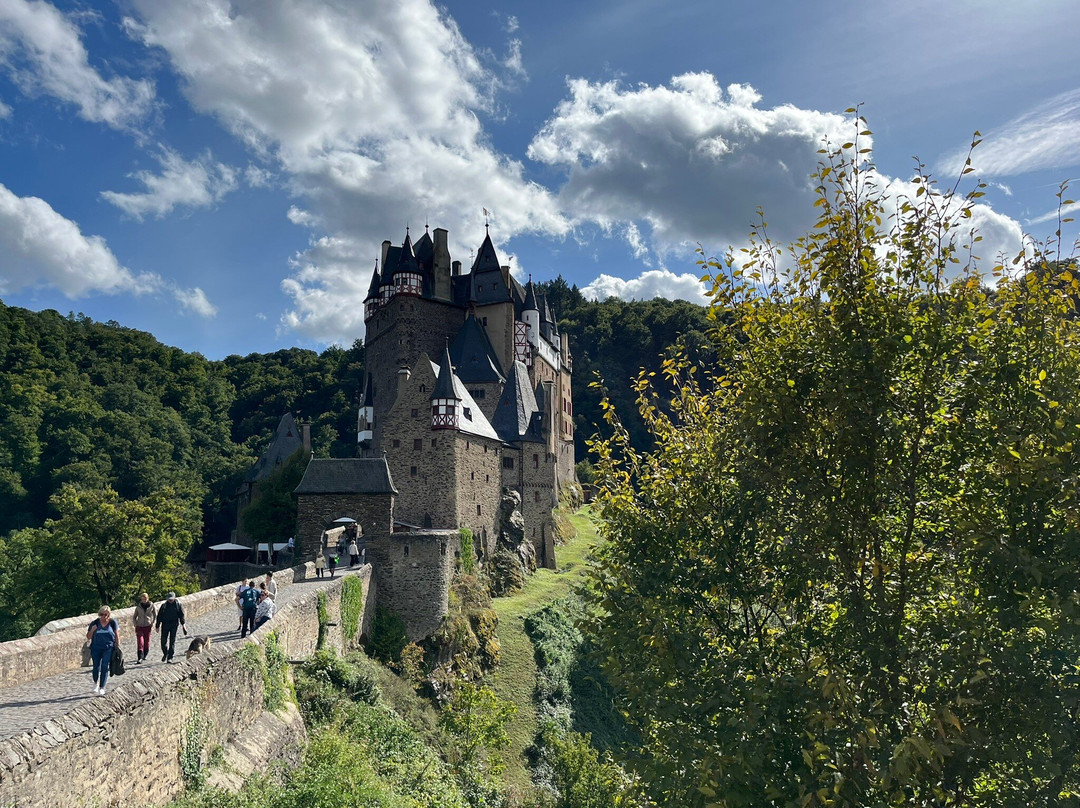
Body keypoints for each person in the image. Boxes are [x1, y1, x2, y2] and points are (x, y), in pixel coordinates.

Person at [87, 606, 119, 696]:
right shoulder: (95, 623)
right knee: (96, 667)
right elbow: (88, 637)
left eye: (105, 614)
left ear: (109, 614)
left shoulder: (112, 623)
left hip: (108, 647)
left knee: (105, 666)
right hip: (96, 647)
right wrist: (93, 630)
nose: (103, 616)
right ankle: (95, 682)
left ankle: (102, 687)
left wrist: (117, 646)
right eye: (101, 614)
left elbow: (116, 634)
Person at [156, 592, 187, 663]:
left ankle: (170, 657)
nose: (170, 601)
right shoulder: (164, 606)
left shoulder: (178, 605)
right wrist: (157, 626)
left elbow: (181, 616)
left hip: (174, 624)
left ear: (174, 598)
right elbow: (159, 616)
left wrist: (183, 626)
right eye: (169, 599)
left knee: (172, 641)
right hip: (165, 624)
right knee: (163, 641)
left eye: (171, 599)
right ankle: (165, 653)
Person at [131, 592, 156, 664]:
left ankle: (145, 653)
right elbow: (134, 617)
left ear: (147, 599)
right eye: (142, 599)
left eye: (144, 599)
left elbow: (155, 615)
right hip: (139, 626)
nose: (143, 600)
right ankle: (140, 657)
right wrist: (135, 624)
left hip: (148, 626)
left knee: (147, 641)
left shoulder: (151, 605)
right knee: (140, 641)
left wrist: (152, 623)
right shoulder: (138, 607)